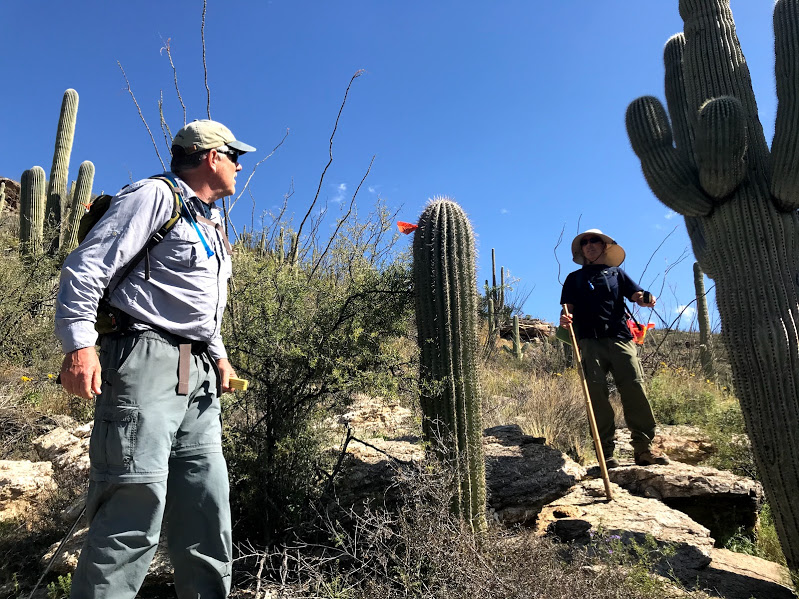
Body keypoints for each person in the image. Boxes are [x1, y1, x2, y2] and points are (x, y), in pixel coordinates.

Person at [55, 119, 256, 599]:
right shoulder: (153, 196)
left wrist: (220, 357)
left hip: (196, 368)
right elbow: (86, 267)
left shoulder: (211, 220)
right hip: (143, 357)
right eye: (234, 156)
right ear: (211, 156)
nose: (237, 166)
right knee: (133, 503)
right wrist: (79, 345)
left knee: (206, 505)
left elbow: (198, 307)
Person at [559, 229, 670, 469]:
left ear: (604, 246)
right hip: (588, 342)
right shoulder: (573, 278)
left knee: (634, 388)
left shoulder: (616, 273)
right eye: (585, 242)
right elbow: (567, 308)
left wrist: (646, 298)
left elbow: (637, 295)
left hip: (620, 338)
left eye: (594, 240)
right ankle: (605, 455)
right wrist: (565, 319)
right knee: (596, 396)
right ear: (581, 250)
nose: (589, 244)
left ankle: (644, 449)